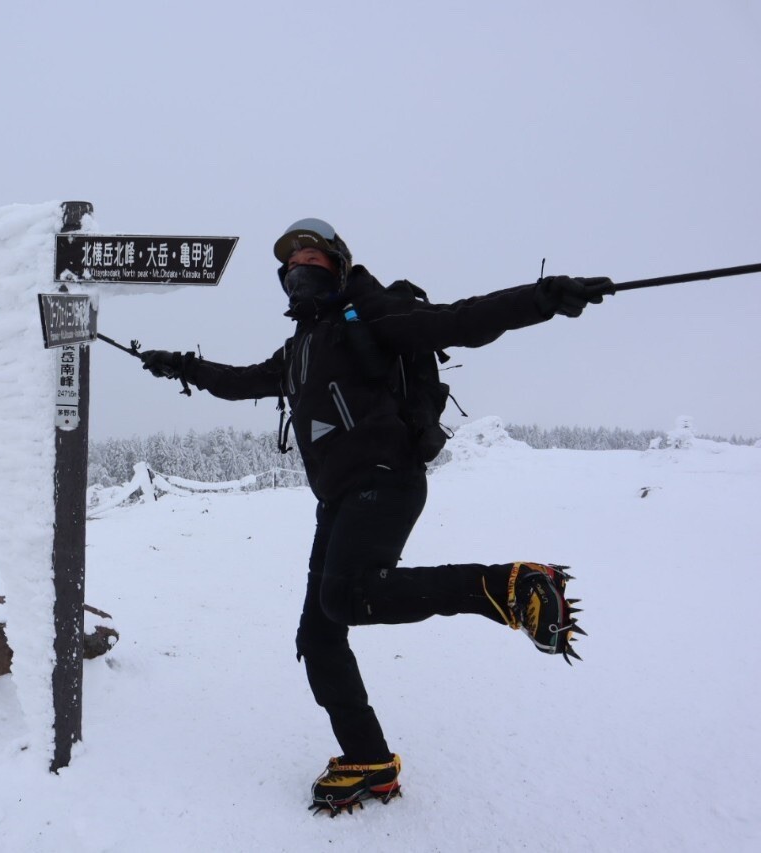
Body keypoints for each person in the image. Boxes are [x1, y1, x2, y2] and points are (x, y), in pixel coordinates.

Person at [137, 218, 610, 815]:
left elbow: (455, 321)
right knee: (319, 634)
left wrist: (538, 299)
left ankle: (509, 586)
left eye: (310, 253)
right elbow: (239, 383)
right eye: (289, 260)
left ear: (337, 261)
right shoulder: (301, 347)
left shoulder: (369, 313)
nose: (297, 265)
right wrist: (179, 365)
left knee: (353, 597)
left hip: (385, 479)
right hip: (337, 498)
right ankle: (369, 760)